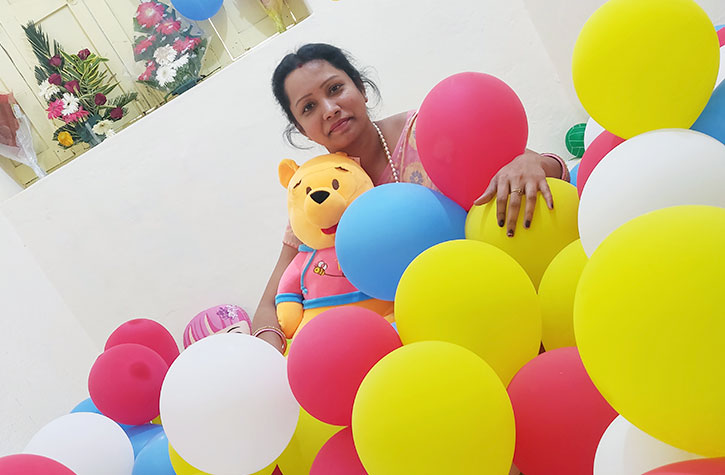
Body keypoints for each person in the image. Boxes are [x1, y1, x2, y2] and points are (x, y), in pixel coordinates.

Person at [251, 43, 569, 353]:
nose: (330, 109)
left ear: (361, 88)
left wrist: (530, 163)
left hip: (499, 300)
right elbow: (268, 302)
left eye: (335, 89)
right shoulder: (314, 191)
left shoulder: (427, 131)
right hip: (417, 341)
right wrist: (267, 350)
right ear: (301, 130)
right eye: (308, 107)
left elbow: (548, 168)